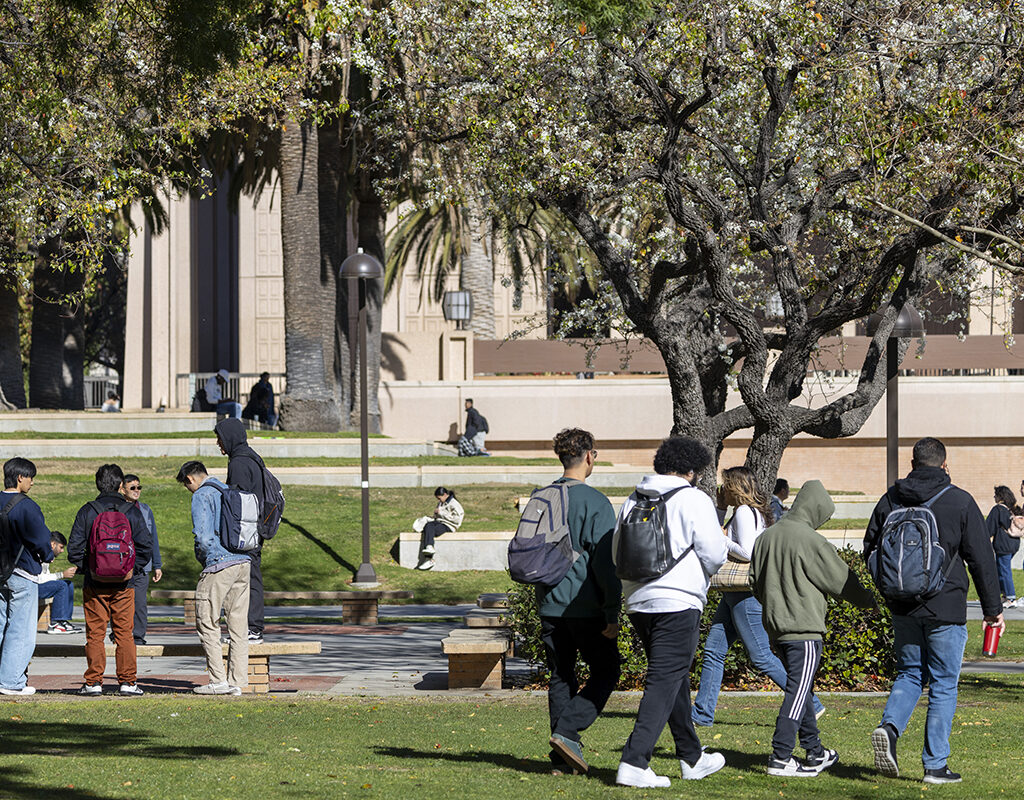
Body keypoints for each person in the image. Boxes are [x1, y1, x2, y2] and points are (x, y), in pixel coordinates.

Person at [864, 437, 1003, 785]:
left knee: (910, 674)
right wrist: (992, 609)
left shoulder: (890, 499)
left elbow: (871, 549)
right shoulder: (959, 501)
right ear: (944, 464)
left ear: (912, 463)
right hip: (946, 607)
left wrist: (890, 590)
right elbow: (982, 561)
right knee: (943, 683)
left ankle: (890, 728)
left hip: (902, 607)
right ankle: (935, 765)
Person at [612, 437, 729, 787]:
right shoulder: (694, 499)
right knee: (664, 679)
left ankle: (692, 758)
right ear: (692, 470)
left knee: (672, 676)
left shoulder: (634, 499)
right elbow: (714, 552)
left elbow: (618, 550)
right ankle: (634, 761)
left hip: (637, 600)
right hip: (678, 600)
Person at [751, 480, 877, 777]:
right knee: (797, 693)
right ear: (816, 509)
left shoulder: (765, 538)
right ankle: (780, 756)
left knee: (801, 689)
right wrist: (869, 602)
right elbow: (840, 580)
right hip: (804, 630)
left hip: (776, 629)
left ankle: (815, 751)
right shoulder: (810, 540)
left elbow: (756, 583)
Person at [693, 467, 825, 726]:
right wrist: (720, 511)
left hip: (744, 593)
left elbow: (749, 552)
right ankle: (702, 714)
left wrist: (723, 540)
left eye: (725, 485)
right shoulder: (746, 511)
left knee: (761, 655)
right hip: (734, 594)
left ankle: (811, 703)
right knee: (713, 651)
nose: (722, 489)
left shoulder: (743, 512)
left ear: (735, 487)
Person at [536, 428, 622, 776]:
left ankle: (562, 761)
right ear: (589, 456)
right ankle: (567, 733)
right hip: (584, 606)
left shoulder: (541, 498)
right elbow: (606, 564)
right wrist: (612, 610)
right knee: (606, 670)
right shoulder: (597, 502)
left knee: (561, 675)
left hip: (548, 604)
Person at [66, 463, 152, 696]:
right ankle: (128, 682)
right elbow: (146, 546)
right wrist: (130, 569)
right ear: (120, 485)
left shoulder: (88, 510)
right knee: (125, 633)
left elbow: (73, 551)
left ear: (97, 483)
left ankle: (93, 682)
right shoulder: (131, 510)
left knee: (95, 634)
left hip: (94, 585)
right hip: (125, 584)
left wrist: (92, 568)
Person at [176, 460, 250, 694]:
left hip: (218, 564)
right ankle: (238, 682)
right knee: (238, 626)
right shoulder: (228, 490)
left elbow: (203, 537)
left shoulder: (202, 495)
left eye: (186, 485)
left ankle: (218, 680)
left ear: (190, 479)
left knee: (207, 621)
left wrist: (204, 558)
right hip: (243, 563)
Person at [0, 457, 55, 695]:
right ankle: (11, 682)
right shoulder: (26, 506)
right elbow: (42, 541)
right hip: (21, 573)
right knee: (20, 630)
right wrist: (47, 556)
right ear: (20, 477)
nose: (32, 482)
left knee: (1, 626)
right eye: (31, 477)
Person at [215, 418, 267, 643]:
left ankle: (252, 628)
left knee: (248, 578)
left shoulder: (239, 463)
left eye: (220, 438)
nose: (218, 443)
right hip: (254, 528)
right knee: (249, 576)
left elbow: (239, 501)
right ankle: (248, 627)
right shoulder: (251, 457)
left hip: (245, 532)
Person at [120, 474, 162, 644]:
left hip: (142, 565)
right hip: (121, 565)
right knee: (122, 602)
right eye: (132, 488)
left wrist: (157, 564)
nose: (137, 491)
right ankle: (121, 634)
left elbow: (153, 539)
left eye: (139, 487)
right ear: (122, 489)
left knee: (140, 603)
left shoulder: (145, 510)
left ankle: (137, 636)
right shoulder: (118, 509)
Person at [35, 531, 82, 634]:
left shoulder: (47, 554)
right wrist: (61, 575)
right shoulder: (40, 553)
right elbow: (39, 578)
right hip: (33, 587)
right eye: (61, 547)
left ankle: (63, 621)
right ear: (53, 544)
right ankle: (55, 623)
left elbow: (45, 576)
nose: (62, 551)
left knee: (68, 584)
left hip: (39, 585)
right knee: (61, 586)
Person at [414, 487, 465, 570]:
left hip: (449, 525)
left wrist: (441, 513)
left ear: (445, 495)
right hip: (439, 523)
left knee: (431, 528)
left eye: (439, 498)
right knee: (428, 525)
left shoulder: (454, 504)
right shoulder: (441, 503)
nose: (439, 500)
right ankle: (429, 551)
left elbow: (457, 519)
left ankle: (429, 555)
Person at [986, 485, 1020, 609]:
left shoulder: (998, 509)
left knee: (1004, 570)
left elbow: (988, 527)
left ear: (1000, 497)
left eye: (996, 495)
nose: (994, 497)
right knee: (1000, 568)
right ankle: (1005, 595)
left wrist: (984, 540)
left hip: (1003, 544)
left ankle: (1011, 597)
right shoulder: (1012, 509)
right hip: (1014, 543)